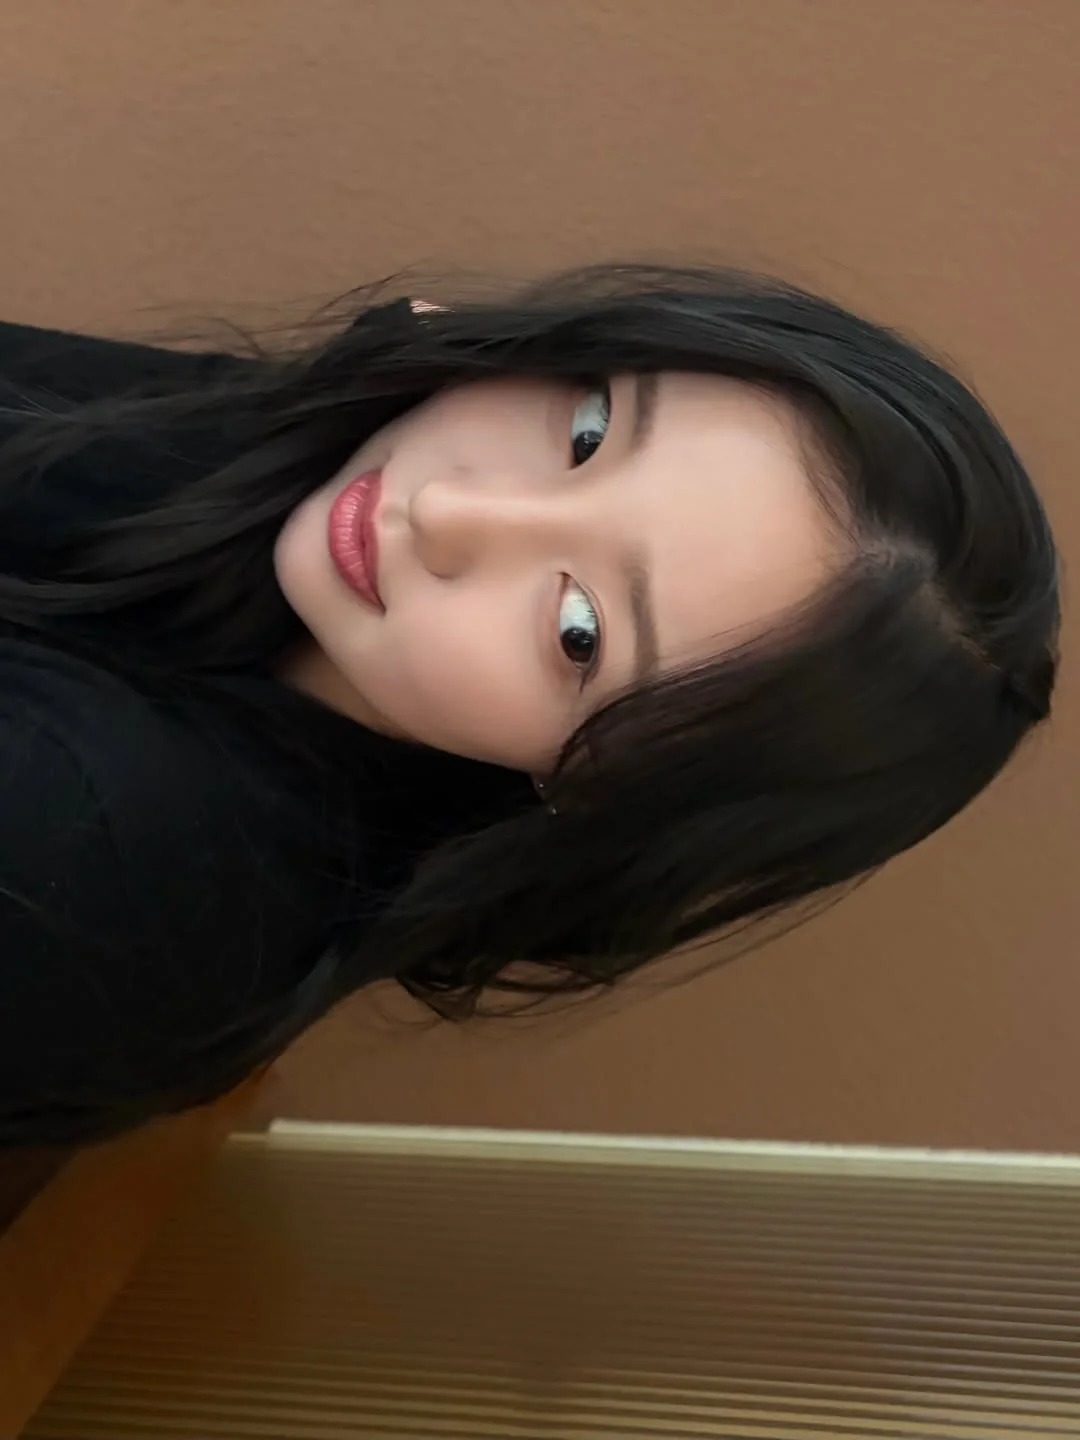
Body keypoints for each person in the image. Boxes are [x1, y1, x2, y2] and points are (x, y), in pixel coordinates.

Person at [0, 265, 1059, 1147]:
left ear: (602, 784)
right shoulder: (316, 481)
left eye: (578, 631)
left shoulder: (114, 854)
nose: (452, 509)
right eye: (590, 427)